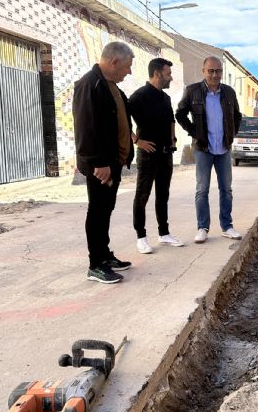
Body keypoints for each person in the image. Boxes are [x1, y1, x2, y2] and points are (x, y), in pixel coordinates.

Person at [73, 41, 135, 284]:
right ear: (114, 62)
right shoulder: (90, 84)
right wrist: (98, 162)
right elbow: (85, 128)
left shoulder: (110, 86)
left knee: (105, 210)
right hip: (102, 166)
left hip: (113, 162)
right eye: (127, 67)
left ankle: (105, 255)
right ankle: (95, 265)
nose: (128, 72)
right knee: (97, 212)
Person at [176, 56, 242, 244]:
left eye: (218, 71)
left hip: (223, 148)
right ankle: (202, 228)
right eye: (211, 71)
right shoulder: (193, 91)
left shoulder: (228, 93)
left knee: (226, 190)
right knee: (202, 189)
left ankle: (227, 226)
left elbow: (237, 116)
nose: (215, 75)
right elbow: (180, 114)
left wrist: (231, 134)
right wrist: (194, 132)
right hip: (203, 148)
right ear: (203, 71)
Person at [130, 58, 183, 254]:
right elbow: (120, 118)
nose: (171, 78)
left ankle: (164, 233)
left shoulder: (165, 97)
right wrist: (137, 140)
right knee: (142, 195)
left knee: (163, 194)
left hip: (165, 154)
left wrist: (173, 139)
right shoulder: (139, 96)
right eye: (168, 74)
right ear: (157, 74)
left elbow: (171, 120)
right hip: (147, 155)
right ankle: (141, 237)